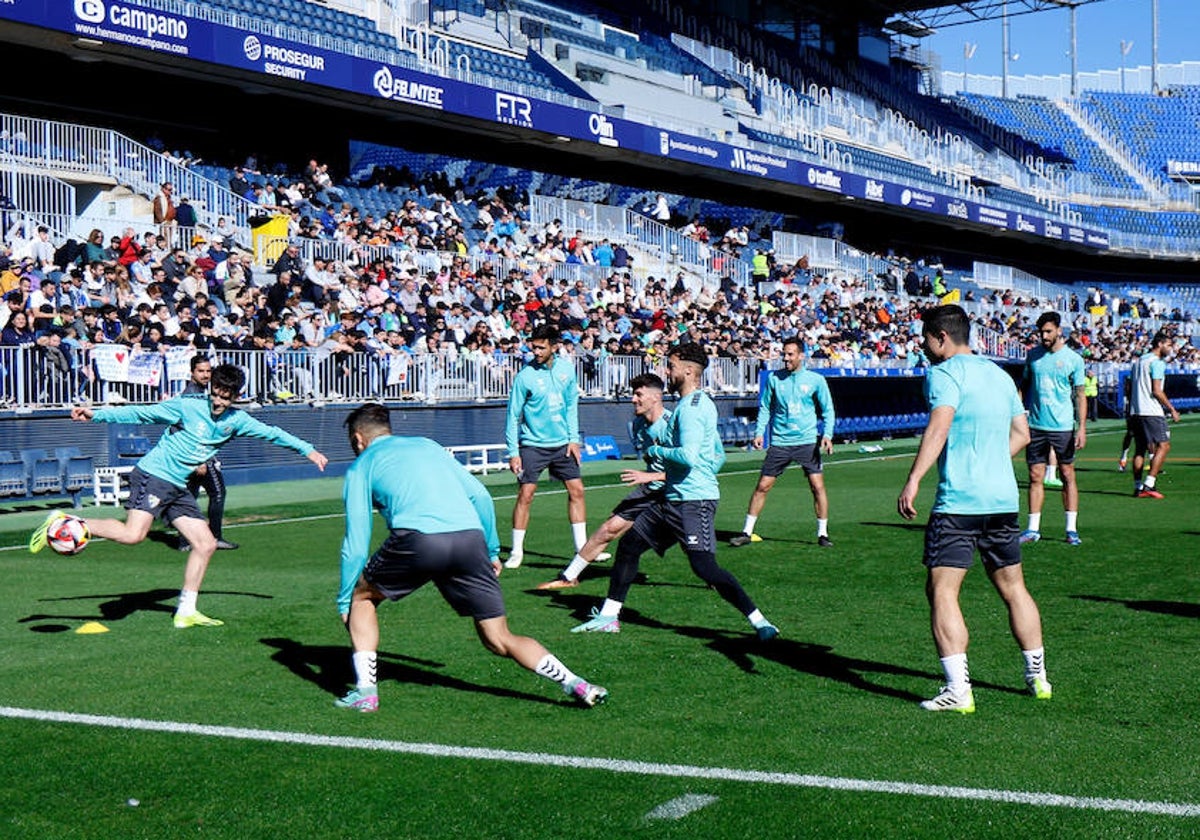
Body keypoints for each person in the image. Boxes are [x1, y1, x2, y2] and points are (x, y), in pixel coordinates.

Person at [334, 403, 607, 713]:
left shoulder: (360, 466)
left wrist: (345, 600)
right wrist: (492, 550)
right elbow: (479, 496)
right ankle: (576, 683)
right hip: (470, 539)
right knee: (498, 637)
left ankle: (367, 693)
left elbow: (355, 543)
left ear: (358, 439)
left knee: (362, 599)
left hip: (418, 540)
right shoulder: (427, 445)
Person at [30, 364, 329, 628]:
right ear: (211, 387)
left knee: (206, 543)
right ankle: (68, 520)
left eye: (227, 396)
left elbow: (273, 432)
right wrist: (95, 414)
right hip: (153, 475)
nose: (220, 401)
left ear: (236, 396)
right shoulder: (187, 405)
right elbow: (141, 412)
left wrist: (309, 450)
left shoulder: (238, 420)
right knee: (134, 535)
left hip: (177, 486)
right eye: (217, 393)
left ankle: (186, 612)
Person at [897, 305, 1050, 714]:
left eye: (926, 339)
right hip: (1002, 500)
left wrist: (913, 479)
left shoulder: (943, 374)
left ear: (940, 337)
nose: (924, 346)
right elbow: (1023, 433)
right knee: (1014, 589)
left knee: (943, 590)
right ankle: (1038, 678)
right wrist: (992, 461)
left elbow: (939, 425)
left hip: (959, 503)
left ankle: (959, 690)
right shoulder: (1000, 375)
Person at [571, 343, 779, 642]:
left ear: (689, 370)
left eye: (670, 366)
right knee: (629, 546)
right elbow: (715, 455)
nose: (666, 372)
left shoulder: (693, 409)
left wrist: (657, 450)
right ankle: (608, 616)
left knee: (705, 568)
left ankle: (760, 622)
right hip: (674, 497)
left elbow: (689, 456)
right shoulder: (686, 405)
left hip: (693, 502)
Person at [537, 372, 670, 590]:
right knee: (608, 528)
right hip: (649, 490)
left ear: (655, 397)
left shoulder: (671, 425)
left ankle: (715, 578)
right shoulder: (638, 424)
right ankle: (568, 577)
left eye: (638, 394)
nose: (632, 399)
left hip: (676, 492)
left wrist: (655, 476)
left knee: (698, 554)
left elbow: (688, 467)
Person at [730, 336, 835, 548]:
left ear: (801, 356)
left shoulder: (816, 380)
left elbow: (828, 410)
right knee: (763, 486)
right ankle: (746, 532)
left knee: (817, 486)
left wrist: (828, 434)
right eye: (784, 354)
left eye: (790, 354)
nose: (785, 358)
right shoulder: (774, 379)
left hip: (806, 441)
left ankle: (823, 534)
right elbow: (766, 407)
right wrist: (759, 432)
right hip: (780, 442)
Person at [502, 324, 590, 569]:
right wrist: (513, 452)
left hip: (563, 445)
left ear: (555, 346)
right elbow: (512, 416)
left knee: (577, 491)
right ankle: (516, 552)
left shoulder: (566, 369)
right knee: (526, 495)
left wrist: (573, 439)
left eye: (541, 347)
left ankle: (582, 550)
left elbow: (572, 405)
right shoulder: (525, 376)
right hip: (533, 446)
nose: (536, 351)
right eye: (534, 346)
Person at [1019, 312, 1087, 546]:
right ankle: (1032, 529)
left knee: (1067, 474)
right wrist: (1018, 415)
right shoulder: (1033, 356)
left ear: (1059, 330)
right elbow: (1023, 386)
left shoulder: (1073, 360)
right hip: (1036, 426)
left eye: (1048, 331)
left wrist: (1082, 427)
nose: (1044, 336)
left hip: (1063, 427)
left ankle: (1071, 529)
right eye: (1041, 332)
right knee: (1035, 476)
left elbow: (1080, 394)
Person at [175, 356, 238, 552]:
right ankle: (214, 536)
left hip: (193, 454)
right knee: (217, 492)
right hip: (196, 454)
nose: (205, 375)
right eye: (201, 371)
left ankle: (186, 539)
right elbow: (185, 428)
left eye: (208, 371)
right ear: (192, 372)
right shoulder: (191, 396)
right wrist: (197, 460)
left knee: (191, 495)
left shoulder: (202, 393)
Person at [1128, 330, 1180, 499]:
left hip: (1136, 410)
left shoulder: (1138, 362)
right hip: (1151, 411)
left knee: (1140, 449)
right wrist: (1171, 409)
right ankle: (1149, 484)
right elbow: (1157, 391)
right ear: (1160, 344)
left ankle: (1137, 486)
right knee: (1164, 446)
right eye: (1169, 345)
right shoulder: (1157, 363)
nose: (1170, 349)